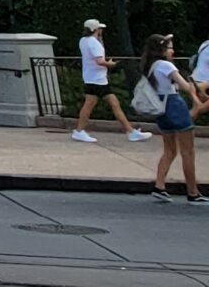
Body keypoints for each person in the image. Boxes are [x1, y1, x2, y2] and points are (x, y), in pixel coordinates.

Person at [142, 34, 208, 202]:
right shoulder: (166, 65)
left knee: (170, 150)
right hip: (174, 105)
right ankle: (193, 191)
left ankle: (159, 185)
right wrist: (205, 85)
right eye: (170, 47)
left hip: (160, 107)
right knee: (188, 152)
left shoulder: (150, 65)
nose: (173, 51)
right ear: (162, 50)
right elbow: (187, 87)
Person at [74, 19, 151, 142]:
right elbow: (100, 61)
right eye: (99, 28)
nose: (101, 30)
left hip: (91, 77)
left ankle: (130, 131)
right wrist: (113, 64)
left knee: (102, 104)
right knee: (104, 104)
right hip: (98, 79)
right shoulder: (94, 43)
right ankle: (130, 132)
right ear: (95, 30)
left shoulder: (83, 41)